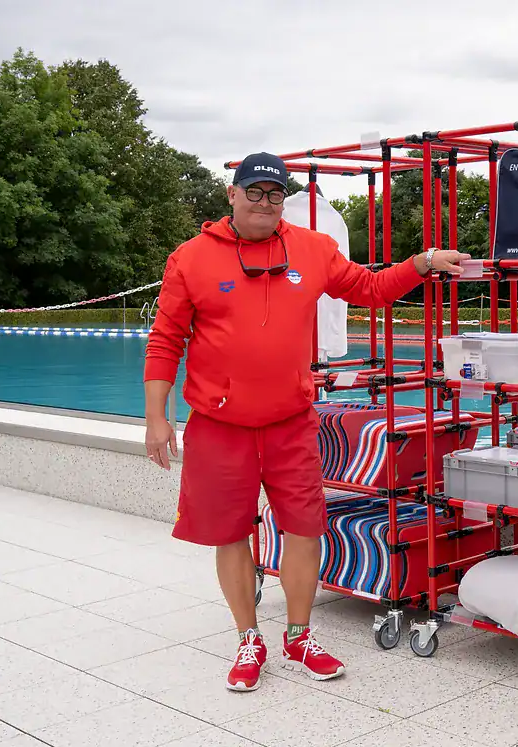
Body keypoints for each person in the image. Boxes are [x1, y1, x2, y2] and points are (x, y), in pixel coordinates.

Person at [143, 152, 468, 692]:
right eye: (254, 192)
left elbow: (370, 288)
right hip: (219, 425)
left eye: (275, 193)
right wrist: (157, 418)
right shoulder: (191, 258)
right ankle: (249, 638)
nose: (264, 202)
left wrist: (424, 261)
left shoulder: (312, 249)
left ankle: (299, 635)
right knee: (230, 532)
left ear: (284, 198)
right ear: (232, 194)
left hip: (291, 420)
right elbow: (165, 341)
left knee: (304, 525)